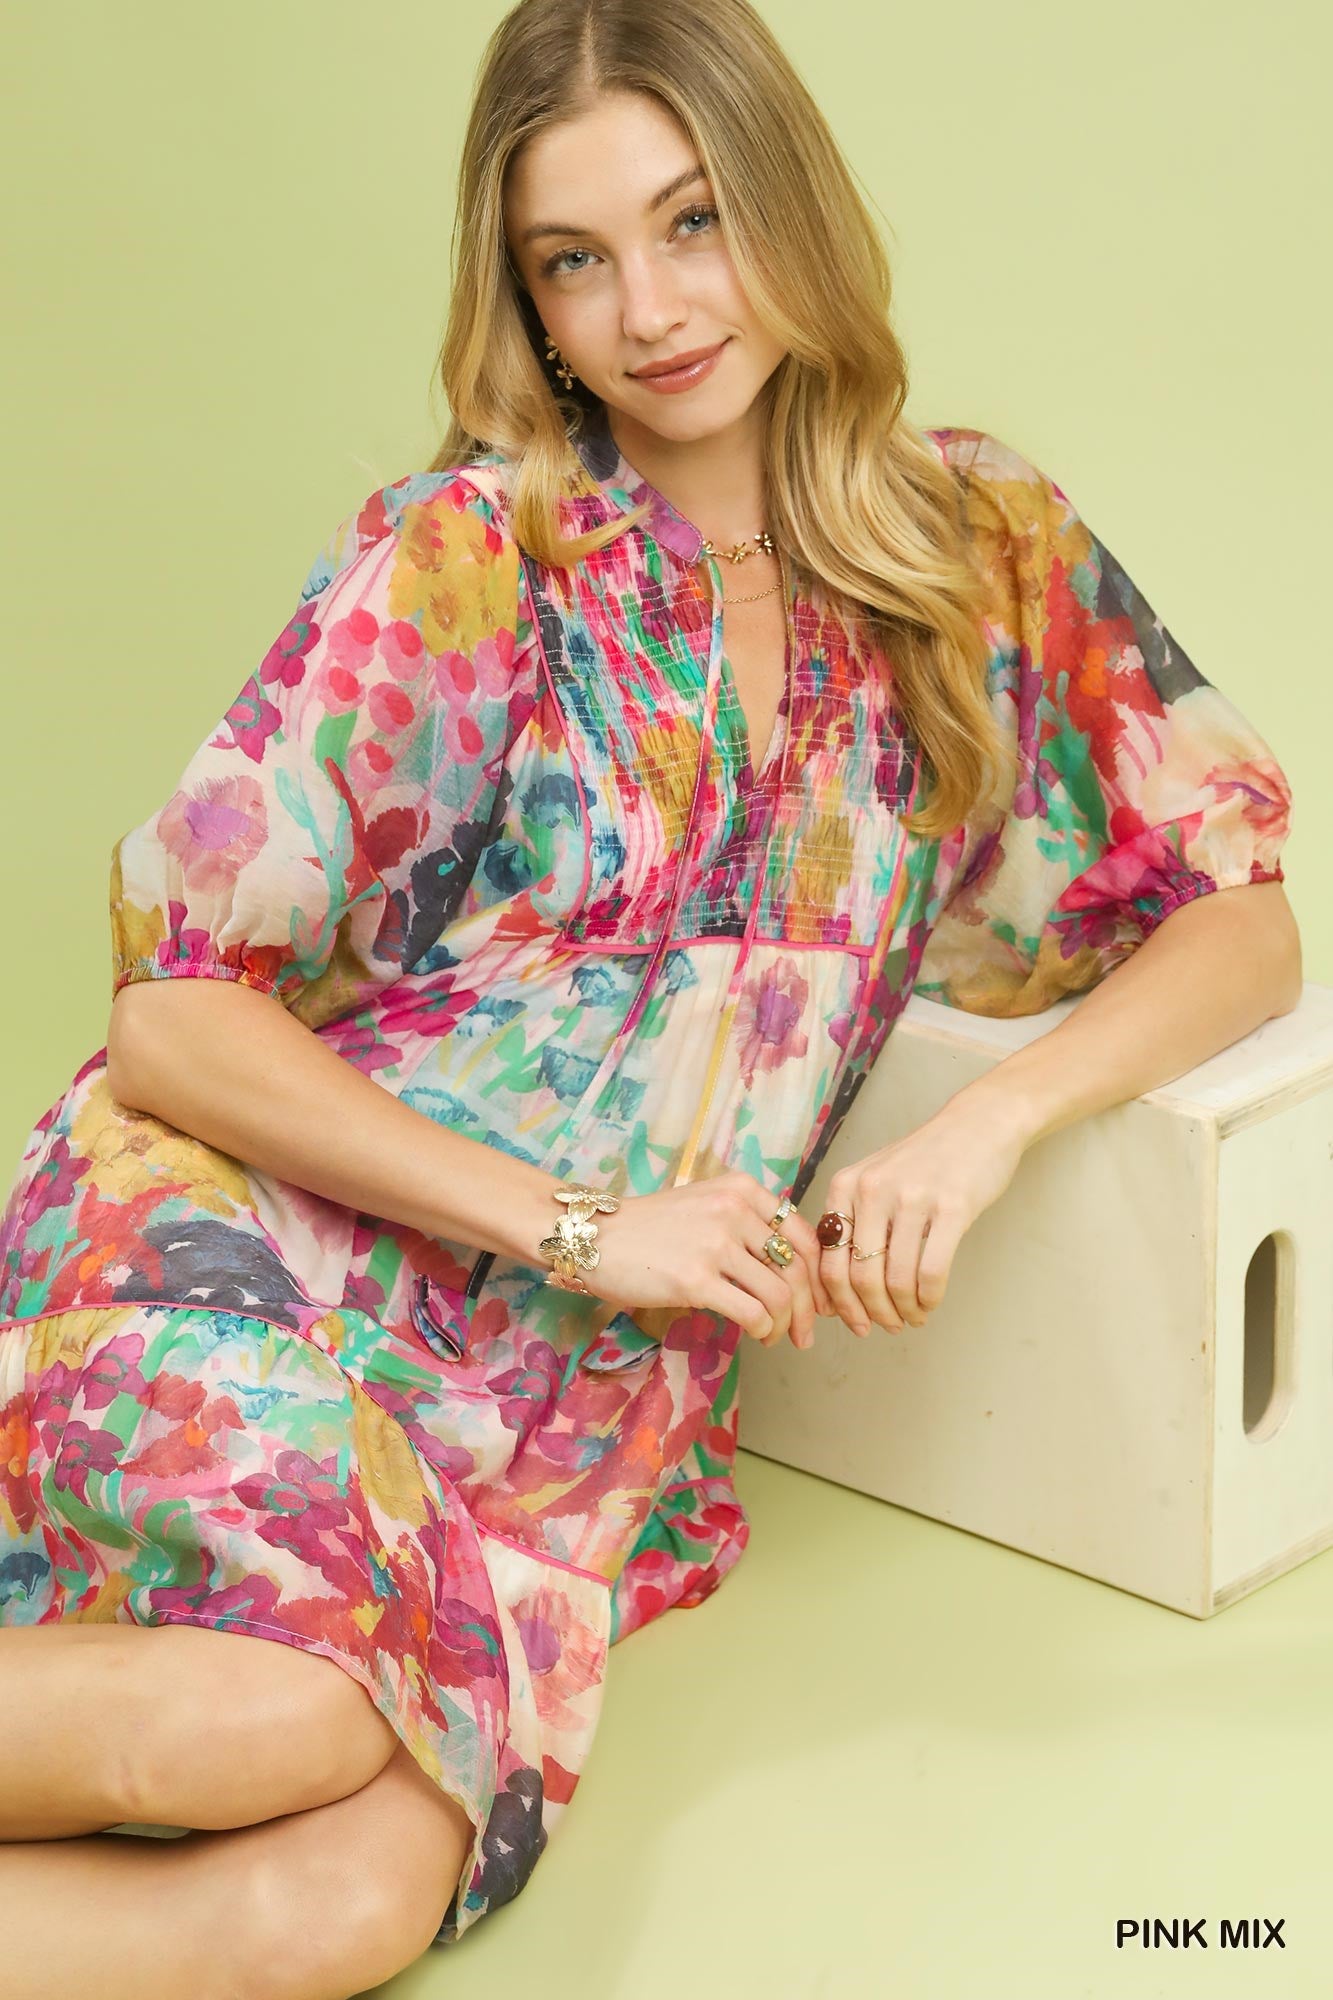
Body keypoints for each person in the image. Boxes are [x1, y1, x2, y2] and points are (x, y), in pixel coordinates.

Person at [0, 0, 1301, 1993]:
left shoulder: (968, 550)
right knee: (281, 1721)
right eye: (573, 259)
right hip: (258, 1252)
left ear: (785, 200)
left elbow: (1241, 916)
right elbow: (176, 1013)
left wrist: (981, 1127)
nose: (653, 308)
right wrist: (592, 1226)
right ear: (521, 301)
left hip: (550, 1413)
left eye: (693, 221)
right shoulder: (474, 556)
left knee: (346, 1903)